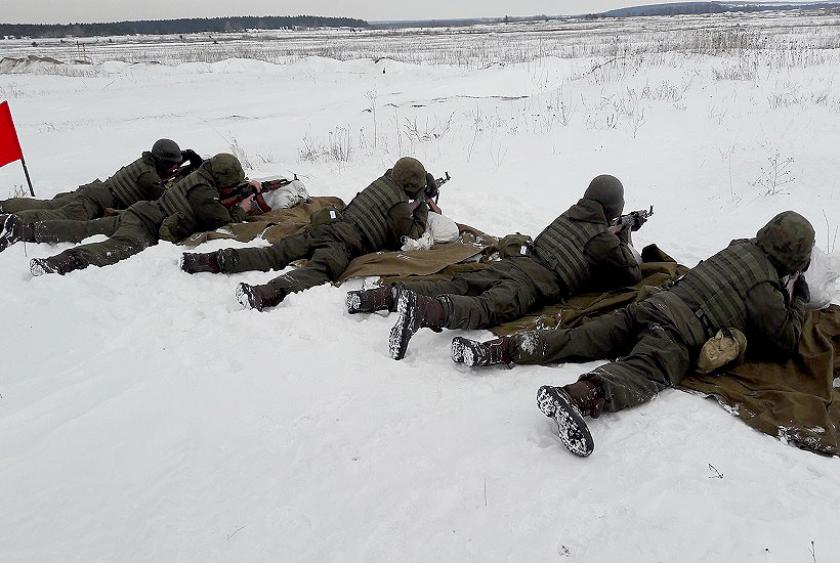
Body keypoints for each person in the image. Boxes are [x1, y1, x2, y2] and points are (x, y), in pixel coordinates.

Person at [453, 211, 815, 458]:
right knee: (642, 371)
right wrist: (798, 298)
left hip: (650, 307)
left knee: (576, 337)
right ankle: (578, 396)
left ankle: (495, 350)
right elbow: (785, 340)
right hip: (676, 334)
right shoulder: (767, 290)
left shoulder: (738, 246)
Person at [347, 174, 644, 360]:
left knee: (457, 283)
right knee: (486, 307)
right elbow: (631, 273)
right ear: (613, 209)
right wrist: (624, 234)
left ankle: (379, 296)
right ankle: (423, 311)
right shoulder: (602, 240)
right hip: (536, 282)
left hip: (517, 262)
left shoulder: (571, 214)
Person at [179, 157, 438, 311]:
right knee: (319, 270)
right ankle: (268, 293)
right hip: (345, 242)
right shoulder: (401, 208)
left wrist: (419, 191)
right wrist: (423, 207)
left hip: (326, 225)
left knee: (274, 253)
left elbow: (397, 179)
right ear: (413, 188)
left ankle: (216, 260)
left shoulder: (382, 181)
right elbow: (408, 238)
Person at [28, 153, 251, 276]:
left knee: (86, 228)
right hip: (145, 225)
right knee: (115, 249)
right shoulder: (204, 194)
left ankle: (25, 228)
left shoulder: (197, 178)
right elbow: (224, 221)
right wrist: (245, 206)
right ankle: (60, 262)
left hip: (140, 210)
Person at [0, 139, 202, 226]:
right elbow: (164, 198)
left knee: (49, 204)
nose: (173, 169)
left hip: (95, 191)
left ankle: (4, 206)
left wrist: (188, 156)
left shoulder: (148, 161)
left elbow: (170, 163)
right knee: (54, 215)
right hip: (94, 202)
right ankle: (9, 222)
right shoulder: (148, 176)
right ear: (161, 162)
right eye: (171, 166)